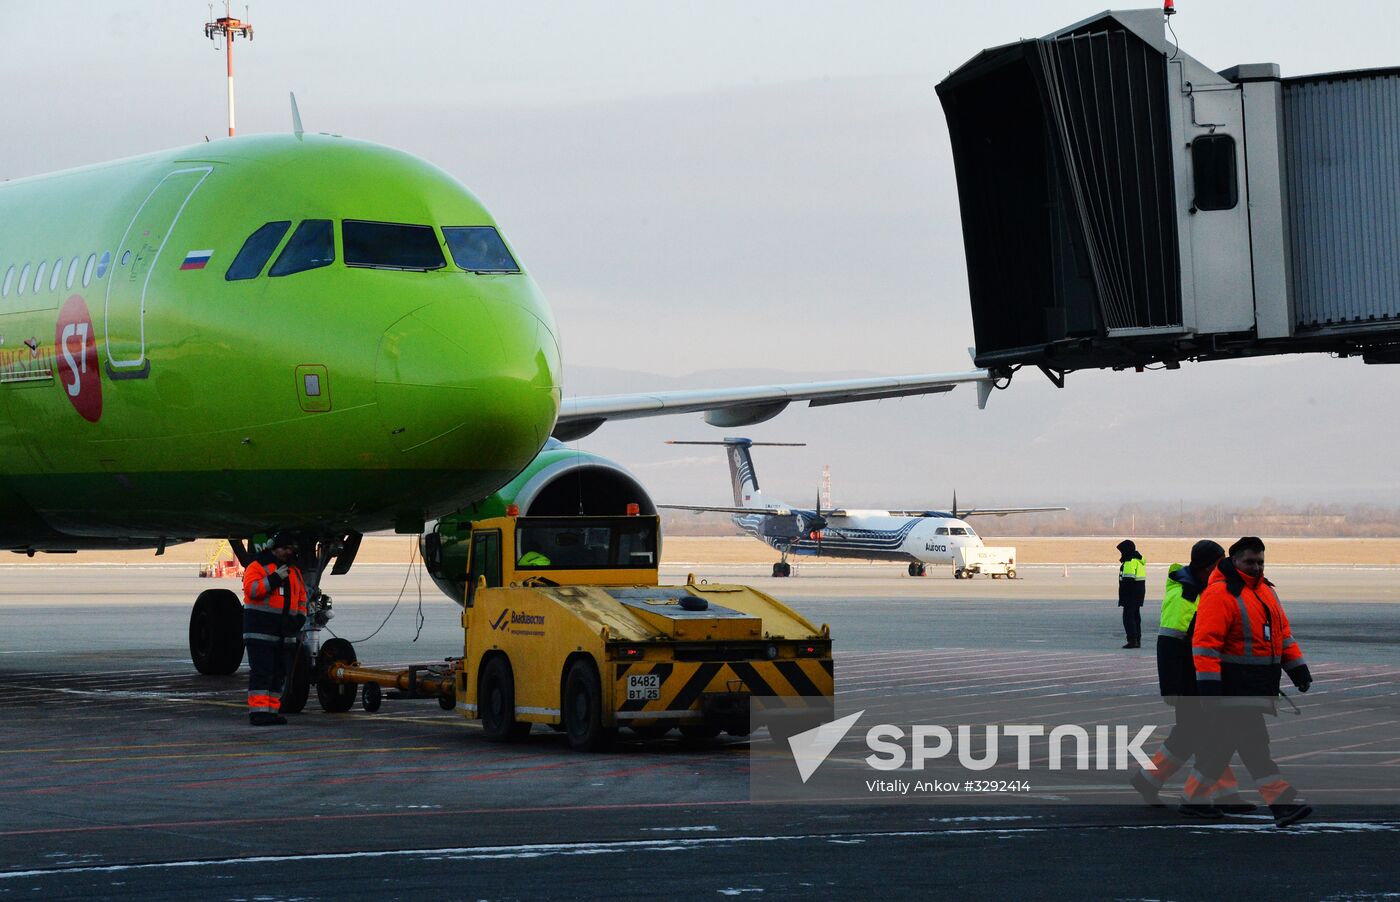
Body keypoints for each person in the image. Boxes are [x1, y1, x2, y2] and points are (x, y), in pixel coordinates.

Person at [1181, 536, 1314, 827]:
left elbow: (1282, 635)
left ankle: (1194, 797)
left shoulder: (1266, 592)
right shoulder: (1220, 594)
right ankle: (1282, 804)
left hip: (1256, 685)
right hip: (1232, 687)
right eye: (1249, 562)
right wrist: (1209, 688)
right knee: (1255, 745)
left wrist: (1298, 669)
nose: (1256, 567)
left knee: (1221, 747)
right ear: (1234, 560)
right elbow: (1205, 645)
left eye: (1260, 562)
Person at [1130, 540, 1254, 813]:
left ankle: (1153, 780)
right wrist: (1173, 688)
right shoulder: (1186, 596)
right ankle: (1161, 782)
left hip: (1204, 678)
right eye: (1221, 563)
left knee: (1202, 735)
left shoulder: (1208, 590)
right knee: (1201, 735)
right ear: (1209, 566)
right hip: (1188, 680)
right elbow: (1170, 645)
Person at [242, 531, 307, 726]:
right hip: (260, 632)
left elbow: (302, 597)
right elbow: (252, 590)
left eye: (290, 549)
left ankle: (271, 711)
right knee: (262, 673)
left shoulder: (294, 572)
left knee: (278, 675)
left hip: (283, 634)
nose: (288, 552)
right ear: (274, 548)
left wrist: (301, 618)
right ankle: (258, 712)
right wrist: (274, 579)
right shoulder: (258, 566)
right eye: (284, 548)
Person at [1117, 539, 1146, 648]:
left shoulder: (1129, 562)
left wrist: (1123, 596)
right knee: (1136, 617)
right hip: (1138, 594)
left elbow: (1128, 581)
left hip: (1130, 595)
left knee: (1128, 618)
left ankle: (1132, 640)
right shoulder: (1138, 561)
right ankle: (1137, 639)